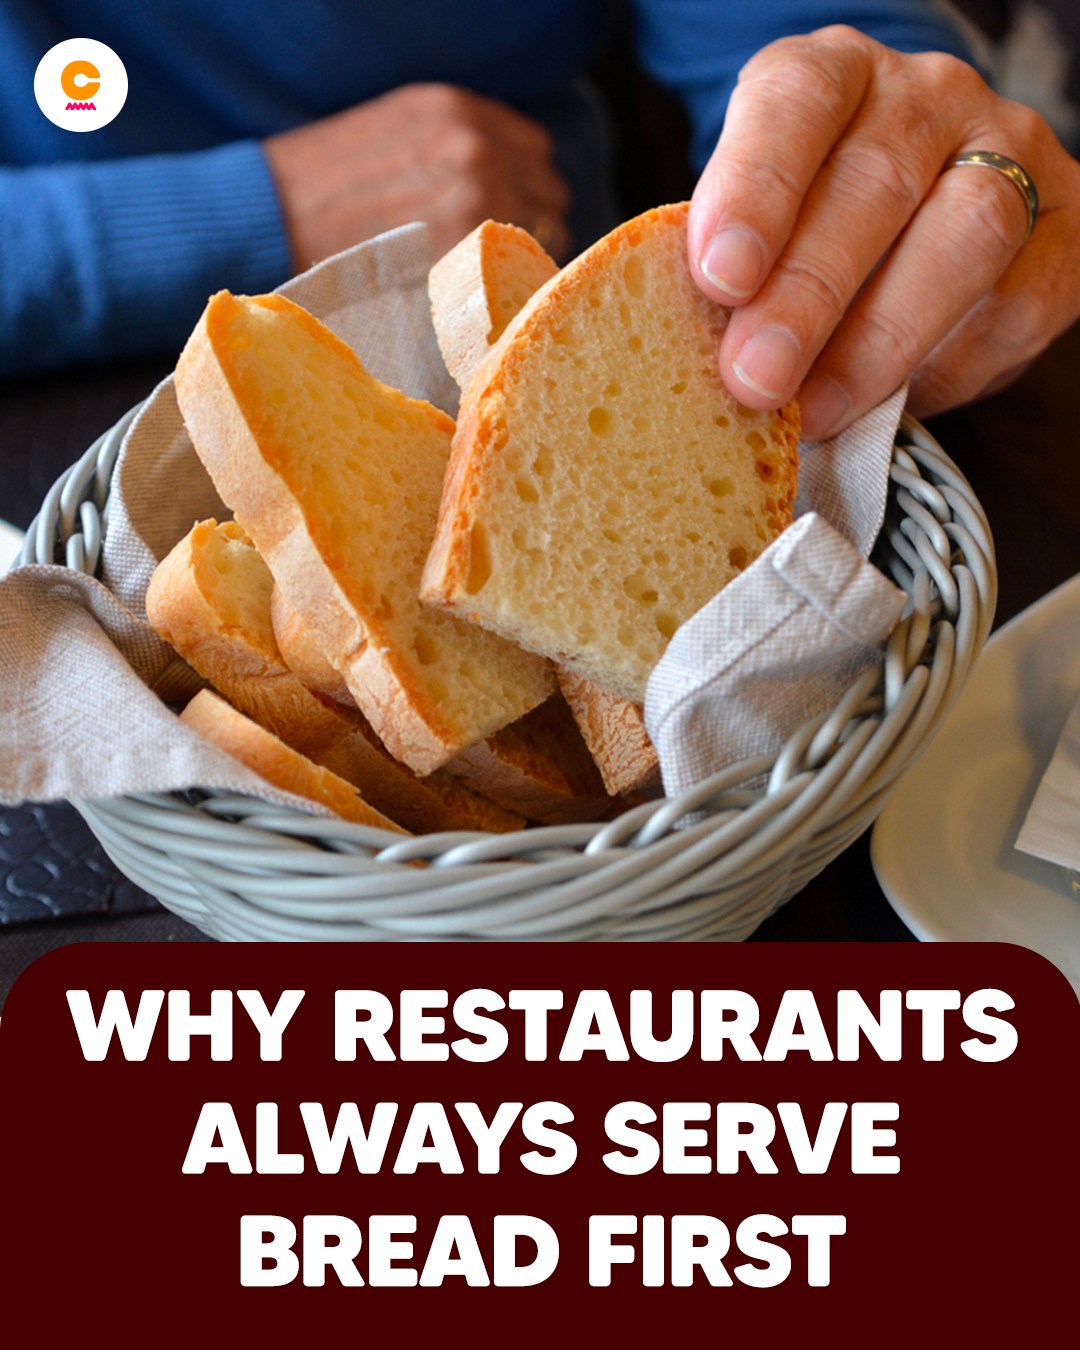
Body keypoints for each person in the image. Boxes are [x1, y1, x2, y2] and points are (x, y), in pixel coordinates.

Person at [2, 0, 1077, 443]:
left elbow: (801, 31)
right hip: (60, 432)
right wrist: (249, 207)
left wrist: (899, 145)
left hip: (590, 381)